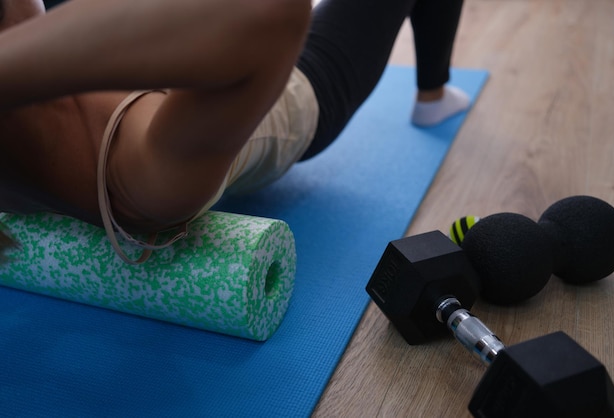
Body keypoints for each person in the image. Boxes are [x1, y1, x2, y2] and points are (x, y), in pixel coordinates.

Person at [0, 0, 468, 264]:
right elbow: (271, 14)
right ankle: (433, 95)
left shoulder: (31, 134)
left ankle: (432, 92)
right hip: (297, 93)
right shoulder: (131, 165)